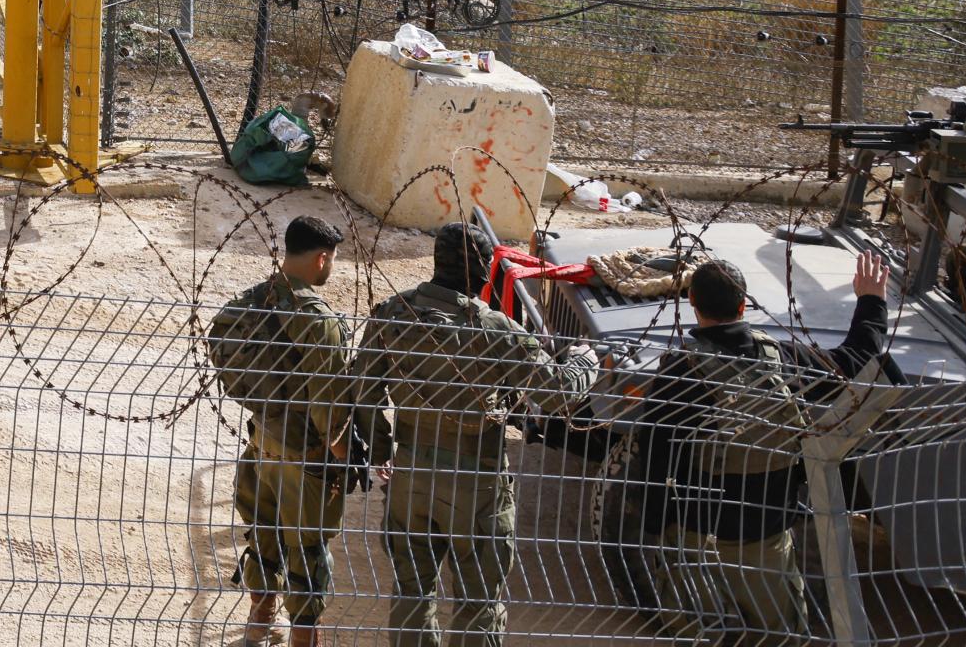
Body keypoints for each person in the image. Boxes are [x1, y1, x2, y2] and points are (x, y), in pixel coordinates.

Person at [628, 250, 891, 644]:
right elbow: (856, 359)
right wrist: (871, 300)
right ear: (743, 305)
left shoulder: (679, 371)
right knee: (782, 635)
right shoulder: (780, 359)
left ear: (692, 303)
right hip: (766, 532)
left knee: (697, 633)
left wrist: (651, 525)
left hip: (698, 534)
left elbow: (653, 452)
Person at [357, 220, 600, 647]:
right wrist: (585, 363)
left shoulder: (393, 314)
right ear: (484, 271)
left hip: (411, 474)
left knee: (413, 593)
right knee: (479, 600)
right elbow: (557, 393)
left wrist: (381, 451)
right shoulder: (495, 329)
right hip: (477, 484)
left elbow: (362, 392)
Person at [207, 215, 369, 645]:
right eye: (333, 259)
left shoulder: (251, 301)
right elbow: (329, 401)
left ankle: (259, 622)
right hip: (306, 455)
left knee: (263, 535)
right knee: (308, 549)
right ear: (321, 259)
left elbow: (223, 346)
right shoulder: (319, 320)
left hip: (263, 443)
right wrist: (341, 457)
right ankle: (303, 638)